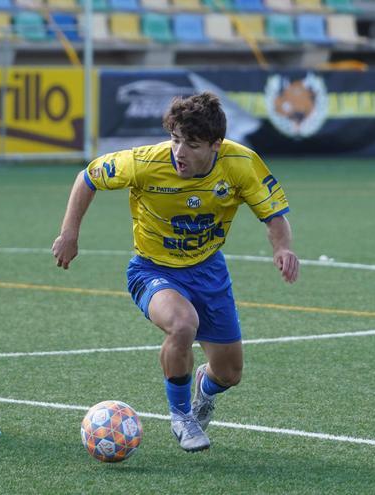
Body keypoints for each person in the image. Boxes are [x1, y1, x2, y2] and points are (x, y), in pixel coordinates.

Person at [52, 92, 299, 452]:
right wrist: (69, 233)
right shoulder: (144, 162)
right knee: (182, 323)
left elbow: (273, 214)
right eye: (175, 139)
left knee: (229, 374)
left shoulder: (241, 164)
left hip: (209, 271)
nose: (179, 152)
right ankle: (182, 415)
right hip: (152, 269)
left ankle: (204, 386)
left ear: (216, 145)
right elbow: (88, 177)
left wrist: (283, 248)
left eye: (192, 144)